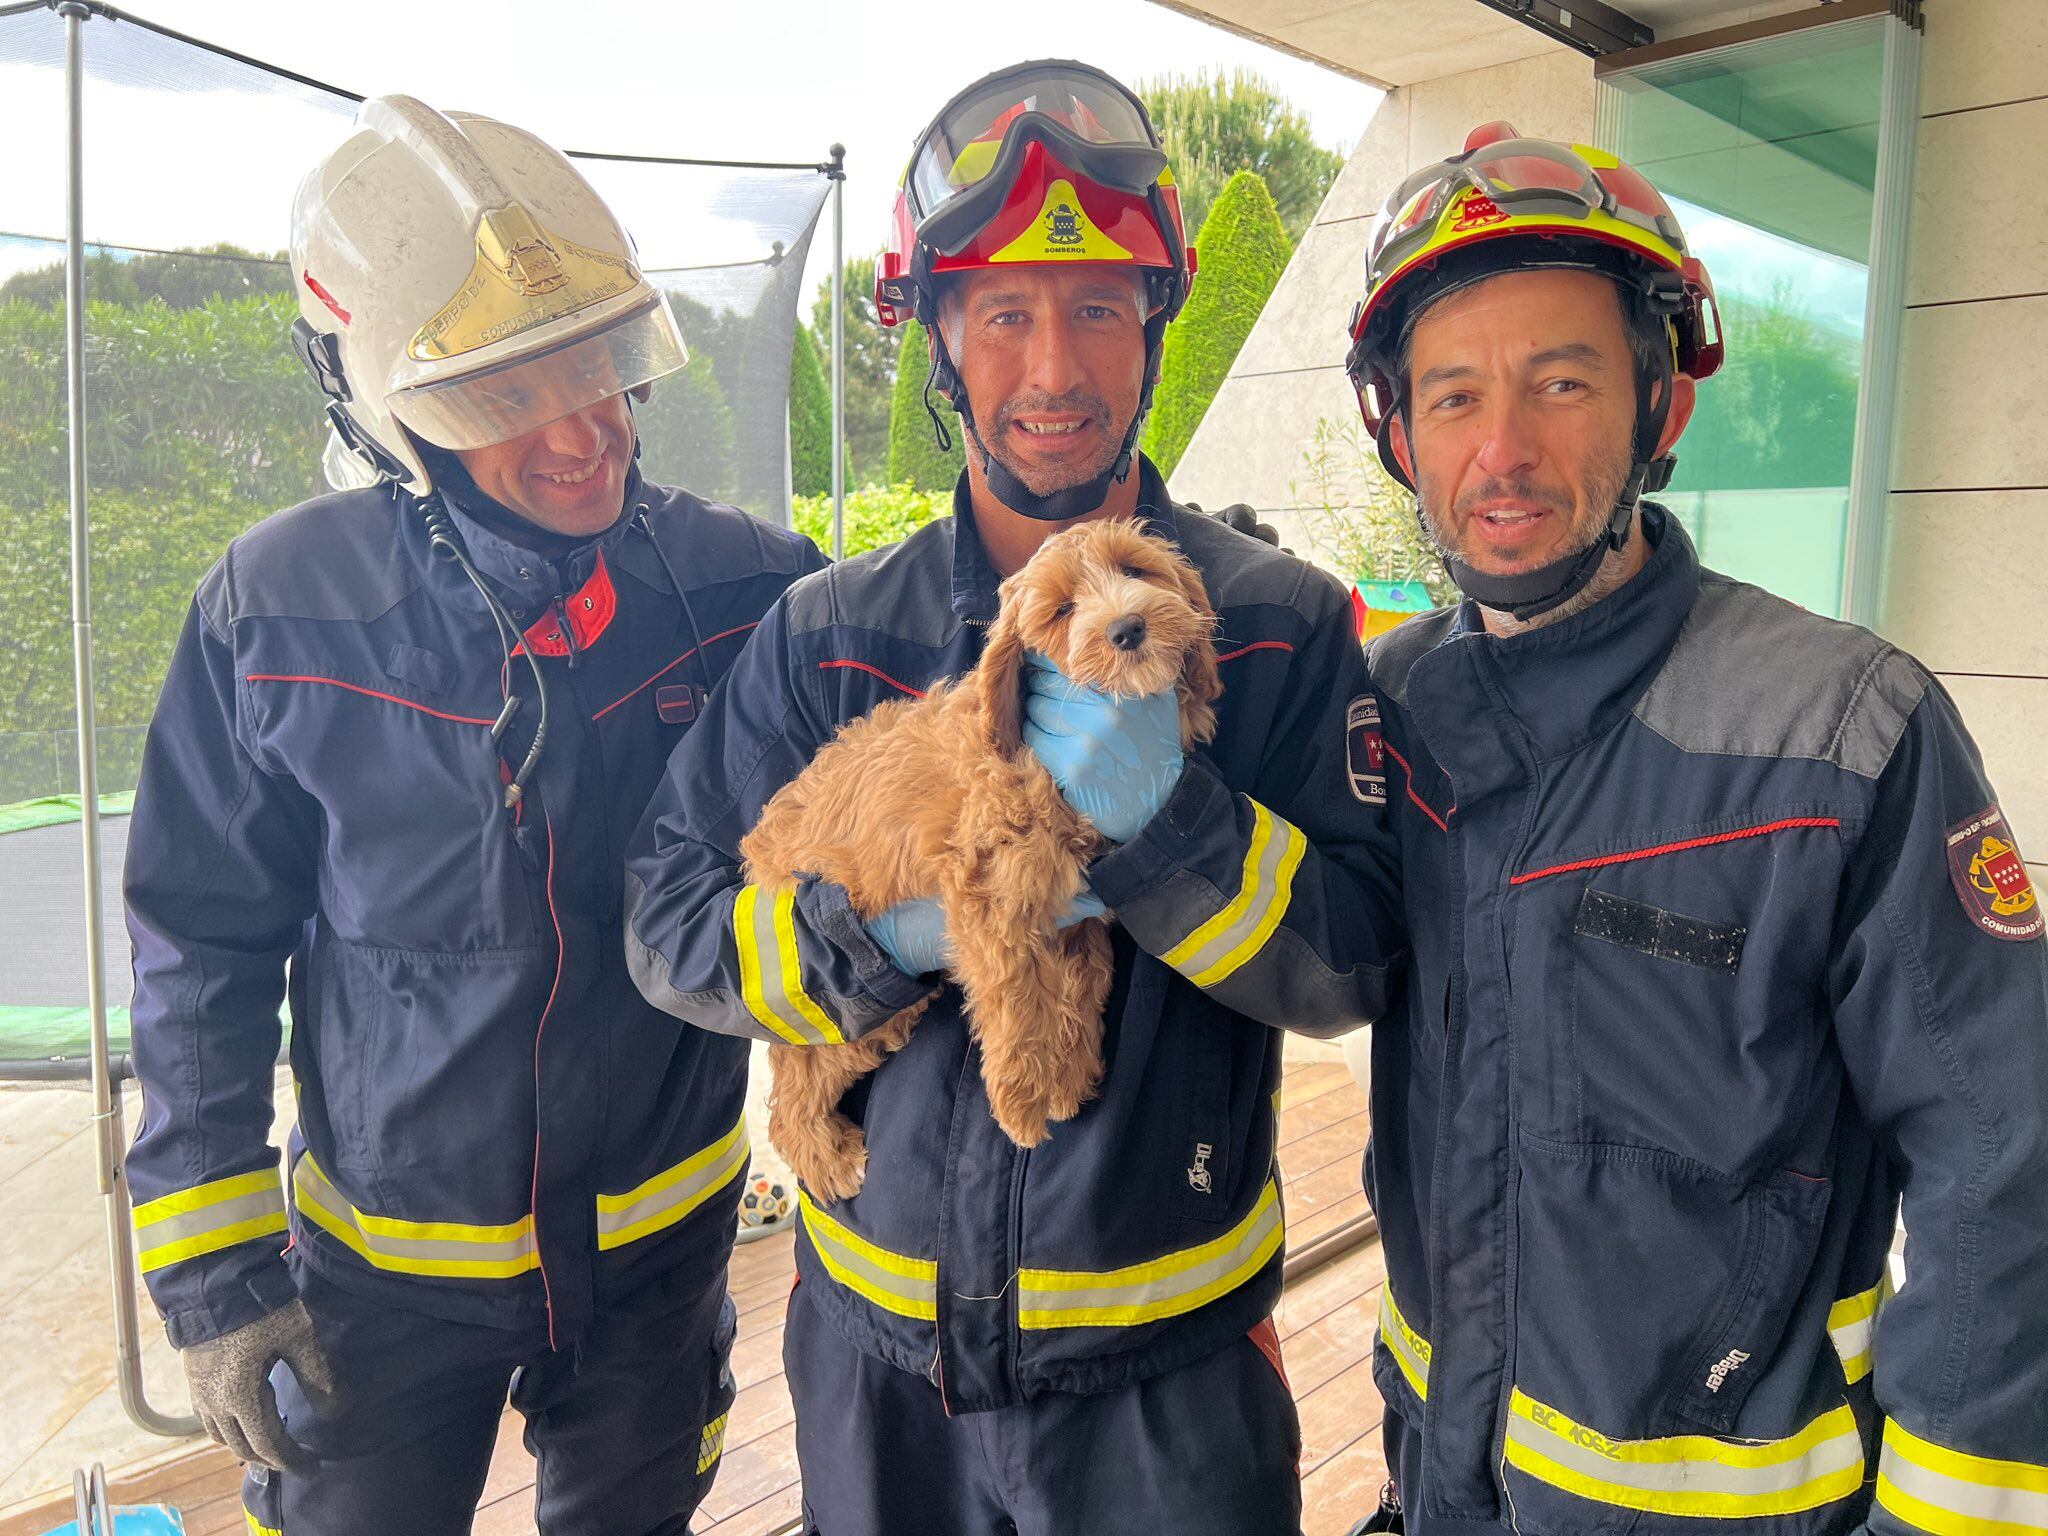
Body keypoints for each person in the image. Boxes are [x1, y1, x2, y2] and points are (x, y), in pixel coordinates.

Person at [624, 60, 1405, 1536]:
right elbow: (666, 923)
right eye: (1005, 313)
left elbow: (1354, 965)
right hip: (871, 1376)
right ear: (940, 341)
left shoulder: (1283, 622)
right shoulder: (825, 632)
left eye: (1099, 306)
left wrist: (1174, 832)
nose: (1055, 366)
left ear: (1154, 329)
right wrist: (890, 939)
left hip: (1163, 1381)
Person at [123, 95, 821, 1535]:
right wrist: (217, 1287)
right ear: (385, 413)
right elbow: (199, 946)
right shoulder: (275, 615)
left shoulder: (751, 591)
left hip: (657, 1272)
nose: (584, 434)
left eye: (604, 367)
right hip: (376, 1294)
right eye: (507, 393)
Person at [1341, 122, 2048, 1536]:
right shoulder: (1390, 709)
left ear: (1660, 403)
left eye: (1562, 381)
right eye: (1457, 393)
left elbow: (2009, 1162)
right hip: (1449, 1493)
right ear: (1399, 431)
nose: (1505, 449)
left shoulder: (1843, 734)